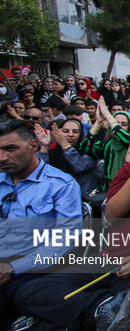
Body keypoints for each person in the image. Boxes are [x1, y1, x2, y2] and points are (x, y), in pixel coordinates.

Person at [17, 122, 130, 331]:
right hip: (109, 256)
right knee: (30, 291)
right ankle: (100, 309)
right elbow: (113, 216)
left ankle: (102, 311)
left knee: (122, 297)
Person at [0, 120, 82, 330]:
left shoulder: (60, 184)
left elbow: (65, 239)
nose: (2, 157)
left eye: (10, 149)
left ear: (33, 146)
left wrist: (12, 268)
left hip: (31, 267)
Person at [80, 98, 130, 190]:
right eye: (116, 123)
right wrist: (97, 124)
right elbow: (84, 148)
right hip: (108, 189)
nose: (116, 127)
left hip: (128, 190)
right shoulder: (106, 145)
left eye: (124, 124)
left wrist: (108, 115)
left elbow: (126, 140)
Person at [34, 120, 99, 193]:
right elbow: (38, 171)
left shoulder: (89, 151)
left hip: (82, 195)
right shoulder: (54, 151)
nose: (70, 134)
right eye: (65, 131)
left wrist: (64, 144)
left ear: (81, 134)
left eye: (75, 132)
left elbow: (80, 166)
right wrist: (44, 146)